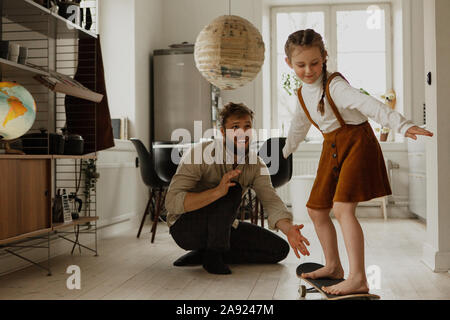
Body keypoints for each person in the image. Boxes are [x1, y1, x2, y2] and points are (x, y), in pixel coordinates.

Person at [282, 29, 433, 295]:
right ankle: (333, 267)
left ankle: (358, 278)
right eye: (301, 65)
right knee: (317, 210)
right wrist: (282, 153)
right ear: (289, 64)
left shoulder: (335, 86)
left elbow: (369, 105)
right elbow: (298, 127)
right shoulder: (302, 94)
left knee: (342, 210)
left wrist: (403, 125)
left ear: (325, 57)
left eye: (314, 63)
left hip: (357, 143)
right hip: (332, 146)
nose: (308, 70)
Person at [165, 102, 310, 275]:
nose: (242, 132)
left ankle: (205, 253)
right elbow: (172, 202)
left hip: (223, 226)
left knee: (279, 249)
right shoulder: (199, 154)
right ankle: (213, 255)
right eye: (235, 127)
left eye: (247, 126)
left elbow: (271, 201)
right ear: (222, 132)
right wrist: (217, 192)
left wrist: (289, 229)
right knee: (232, 190)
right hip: (185, 227)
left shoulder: (255, 164)